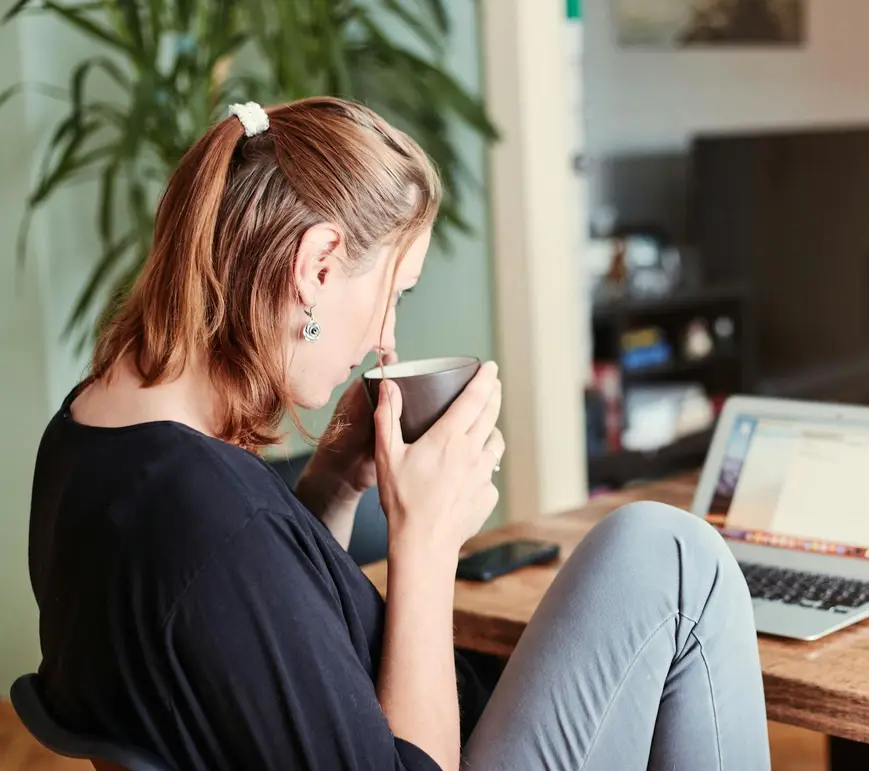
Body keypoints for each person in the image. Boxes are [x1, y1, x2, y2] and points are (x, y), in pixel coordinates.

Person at [28, 97, 770, 771]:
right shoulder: (209, 515)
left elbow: (253, 637)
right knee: (675, 561)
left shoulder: (87, 434)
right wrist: (426, 542)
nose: (387, 340)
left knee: (654, 558)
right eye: (393, 294)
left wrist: (331, 488)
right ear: (317, 267)